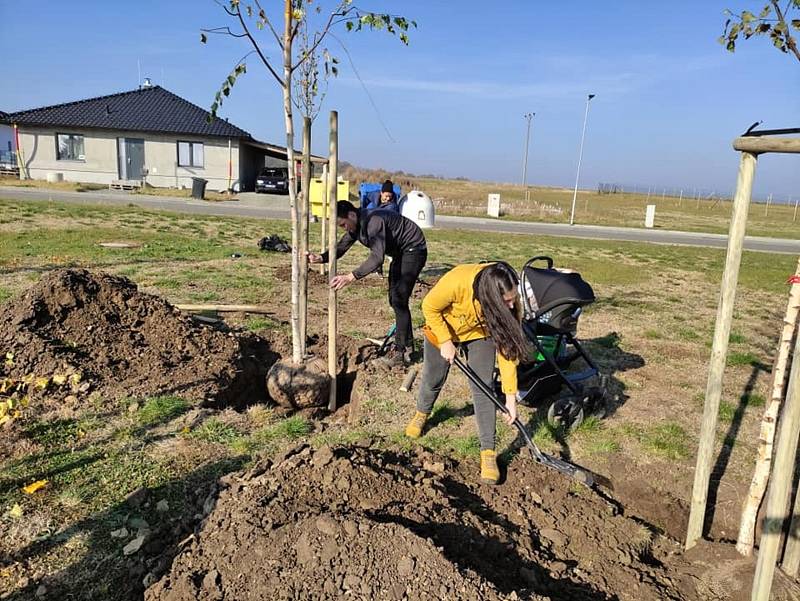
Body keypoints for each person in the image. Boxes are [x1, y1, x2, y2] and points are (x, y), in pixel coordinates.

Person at [404, 262, 529, 485]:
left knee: (483, 388)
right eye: (507, 301)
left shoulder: (508, 305)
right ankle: (422, 413)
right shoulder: (457, 281)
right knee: (433, 378)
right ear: (490, 298)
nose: (511, 305)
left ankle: (488, 452)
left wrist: (511, 398)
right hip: (443, 328)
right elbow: (429, 306)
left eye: (513, 298)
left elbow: (508, 353)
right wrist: (444, 339)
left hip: (480, 333)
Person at [308, 200, 427, 368]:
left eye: (343, 224)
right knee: (394, 299)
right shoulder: (355, 225)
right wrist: (320, 258)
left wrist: (350, 277)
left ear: (351, 215)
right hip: (400, 253)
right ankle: (404, 342)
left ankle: (402, 352)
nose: (345, 228)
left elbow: (377, 258)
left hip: (414, 249)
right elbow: (341, 247)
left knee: (399, 298)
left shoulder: (373, 222)